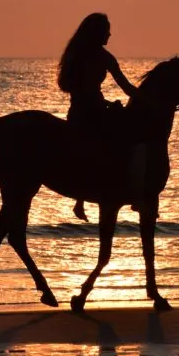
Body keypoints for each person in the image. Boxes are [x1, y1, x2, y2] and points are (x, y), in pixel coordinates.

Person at [57, 13, 138, 221]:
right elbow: (125, 88)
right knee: (129, 137)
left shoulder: (79, 54)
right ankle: (131, 189)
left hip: (81, 110)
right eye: (106, 30)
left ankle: (82, 198)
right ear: (97, 33)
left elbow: (124, 87)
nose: (110, 34)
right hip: (89, 112)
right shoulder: (98, 56)